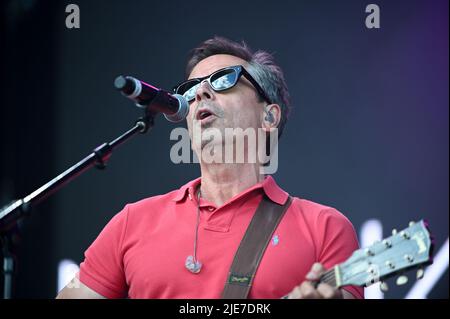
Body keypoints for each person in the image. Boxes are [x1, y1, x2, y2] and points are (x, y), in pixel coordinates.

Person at [56, 36, 363, 299]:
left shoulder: (326, 229)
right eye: (191, 89)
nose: (200, 93)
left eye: (224, 79)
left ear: (269, 117)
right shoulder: (131, 223)